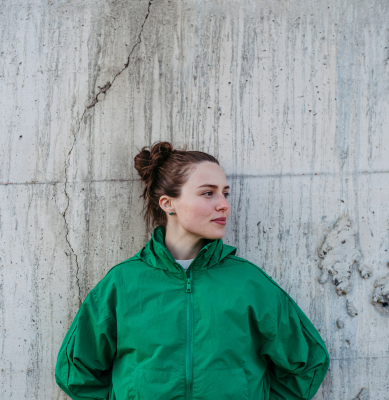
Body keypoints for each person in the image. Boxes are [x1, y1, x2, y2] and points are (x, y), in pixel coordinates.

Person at [55, 141, 330, 400]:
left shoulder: (248, 282)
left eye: (225, 193)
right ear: (168, 203)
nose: (223, 204)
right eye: (208, 193)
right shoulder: (122, 283)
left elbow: (306, 363)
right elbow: (76, 371)